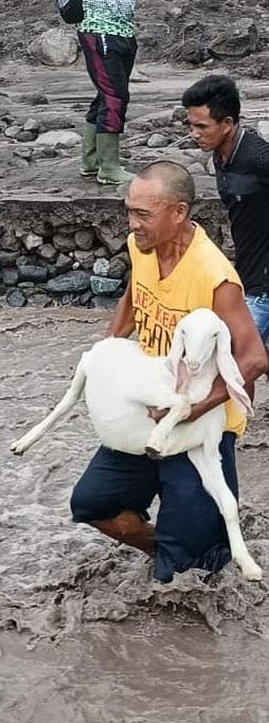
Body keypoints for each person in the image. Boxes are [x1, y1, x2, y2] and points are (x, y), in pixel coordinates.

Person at [70, 161, 267, 582]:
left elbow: (253, 358)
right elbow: (133, 297)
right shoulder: (141, 248)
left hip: (201, 428)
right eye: (129, 211)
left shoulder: (216, 278)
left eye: (143, 215)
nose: (132, 224)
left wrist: (191, 410)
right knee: (91, 503)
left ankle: (189, 554)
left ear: (179, 213)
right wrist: (108, 355)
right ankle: (170, 548)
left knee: (198, 574)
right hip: (150, 413)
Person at [181, 74, 269, 358]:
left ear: (227, 124)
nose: (194, 134)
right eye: (191, 125)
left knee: (231, 360)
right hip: (247, 273)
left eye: (202, 126)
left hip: (264, 285)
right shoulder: (220, 154)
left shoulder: (258, 159)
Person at [76, 0, 137, 185]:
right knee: (114, 96)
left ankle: (91, 161)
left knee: (107, 94)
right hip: (99, 29)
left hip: (123, 29)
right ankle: (109, 167)